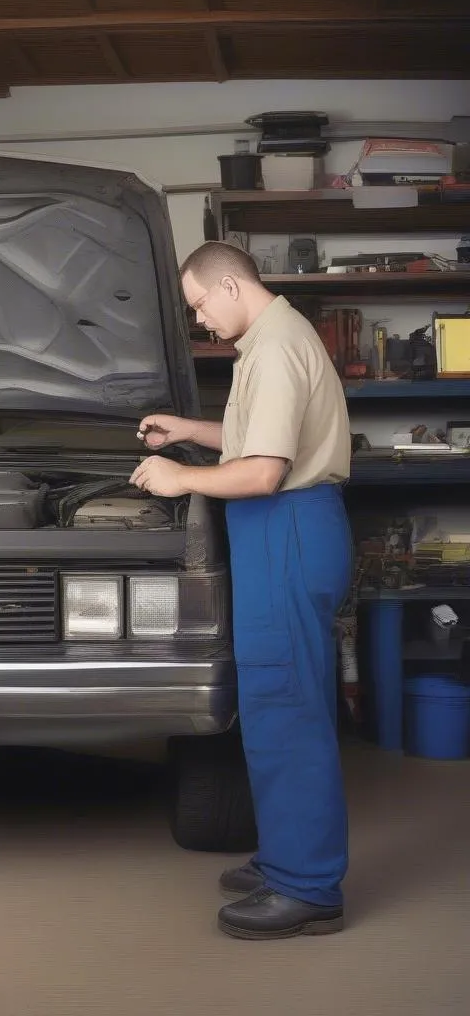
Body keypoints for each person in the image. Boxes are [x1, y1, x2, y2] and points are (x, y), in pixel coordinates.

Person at [131, 241, 353, 940]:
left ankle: (309, 885)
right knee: (268, 704)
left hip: (285, 528)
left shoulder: (278, 344)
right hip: (275, 535)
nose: (199, 320)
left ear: (230, 285)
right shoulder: (267, 342)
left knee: (289, 710)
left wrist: (180, 477)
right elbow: (255, 433)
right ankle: (287, 857)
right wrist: (188, 431)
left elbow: (262, 470)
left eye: (199, 304)